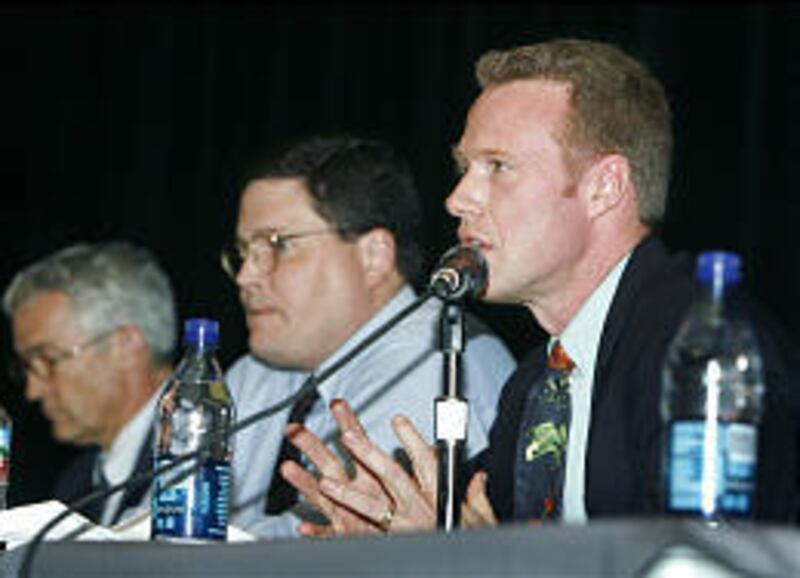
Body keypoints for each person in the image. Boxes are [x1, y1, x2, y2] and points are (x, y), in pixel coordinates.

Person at [280, 38, 799, 535]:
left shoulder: (698, 350)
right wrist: (406, 534)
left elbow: (700, 562)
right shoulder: (536, 384)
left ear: (605, 187)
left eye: (498, 166)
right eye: (464, 168)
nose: (458, 198)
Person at [222, 134, 516, 538]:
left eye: (278, 245)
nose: (246, 276)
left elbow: (331, 545)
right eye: (242, 253)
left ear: (374, 255)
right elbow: (169, 508)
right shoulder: (258, 372)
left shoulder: (436, 356)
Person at [3, 241, 177, 526]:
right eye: (27, 368)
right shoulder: (77, 482)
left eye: (47, 361)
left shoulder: (201, 461)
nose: (32, 391)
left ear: (125, 346)